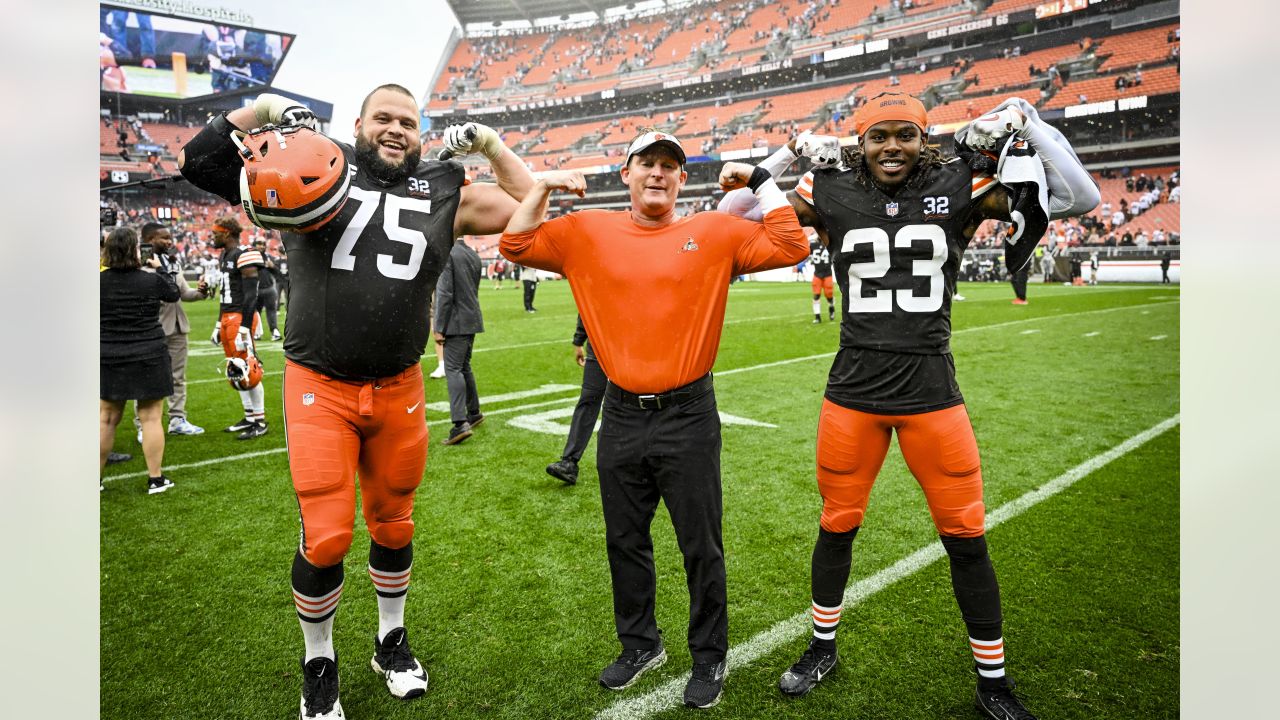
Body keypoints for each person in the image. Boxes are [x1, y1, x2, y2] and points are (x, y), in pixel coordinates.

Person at [720, 92, 1097, 719]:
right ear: (860, 142)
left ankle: (993, 680)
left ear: (925, 139)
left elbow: (1080, 199)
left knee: (966, 537)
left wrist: (1032, 122)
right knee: (837, 525)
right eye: (878, 136)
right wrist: (786, 153)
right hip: (853, 394)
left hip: (930, 394)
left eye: (905, 135)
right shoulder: (831, 186)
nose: (891, 147)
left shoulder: (961, 180)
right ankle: (822, 648)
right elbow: (730, 216)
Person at [179, 86, 533, 720]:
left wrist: (492, 144)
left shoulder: (443, 186)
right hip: (321, 383)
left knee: (395, 521)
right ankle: (319, 660)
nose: (396, 130)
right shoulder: (314, 158)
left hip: (399, 384)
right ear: (359, 124)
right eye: (384, 119)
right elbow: (201, 163)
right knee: (328, 533)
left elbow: (529, 205)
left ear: (422, 133)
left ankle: (389, 640)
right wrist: (262, 111)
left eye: (408, 122)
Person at [501, 128, 808, 709]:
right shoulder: (587, 229)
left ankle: (709, 656)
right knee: (624, 539)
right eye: (647, 163)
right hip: (619, 411)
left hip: (688, 413)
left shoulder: (712, 231)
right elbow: (514, 248)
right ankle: (640, 643)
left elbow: (792, 248)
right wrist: (540, 185)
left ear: (681, 178)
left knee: (700, 543)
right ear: (627, 175)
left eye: (670, 165)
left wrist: (761, 180)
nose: (659, 173)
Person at [100, 226, 180, 493]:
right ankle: (155, 479)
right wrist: (159, 267)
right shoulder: (150, 279)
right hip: (149, 353)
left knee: (107, 419)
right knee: (150, 417)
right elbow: (173, 293)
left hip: (108, 354)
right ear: (135, 250)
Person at [131, 221, 211, 441]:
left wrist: (201, 292)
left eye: (170, 238)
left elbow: (183, 293)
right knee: (147, 378)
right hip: (152, 328)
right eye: (164, 238)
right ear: (149, 240)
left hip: (177, 327)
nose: (169, 242)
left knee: (177, 377)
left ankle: (177, 419)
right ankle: (142, 424)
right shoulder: (137, 264)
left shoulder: (171, 261)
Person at [208, 216, 270, 440]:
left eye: (215, 234)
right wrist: (218, 323)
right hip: (227, 316)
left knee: (247, 369)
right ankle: (249, 417)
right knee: (234, 370)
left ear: (226, 233)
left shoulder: (245, 253)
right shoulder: (224, 254)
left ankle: (260, 420)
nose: (212, 238)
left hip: (239, 318)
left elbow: (252, 294)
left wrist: (244, 326)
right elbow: (226, 294)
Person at [433, 238, 486, 445]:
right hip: (471, 318)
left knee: (453, 369)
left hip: (456, 321)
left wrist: (439, 326)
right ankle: (473, 412)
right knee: (464, 367)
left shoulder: (447, 254)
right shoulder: (472, 254)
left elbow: (444, 293)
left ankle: (459, 423)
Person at [546, 315, 606, 486]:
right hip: (599, 341)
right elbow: (586, 304)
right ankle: (569, 462)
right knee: (589, 398)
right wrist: (579, 340)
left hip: (630, 340)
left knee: (627, 400)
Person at [256, 236, 285, 340]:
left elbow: (279, 273)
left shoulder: (269, 257)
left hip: (269, 288)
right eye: (259, 243)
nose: (261, 246)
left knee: (271, 311)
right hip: (255, 289)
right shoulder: (251, 257)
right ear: (255, 245)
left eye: (263, 244)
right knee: (256, 311)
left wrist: (272, 266)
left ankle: (274, 331)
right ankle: (256, 332)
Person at [808, 230, 835, 323]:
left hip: (827, 274)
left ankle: (831, 308)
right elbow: (805, 249)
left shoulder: (829, 246)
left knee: (829, 296)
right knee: (816, 295)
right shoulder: (813, 246)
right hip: (817, 274)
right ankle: (817, 317)